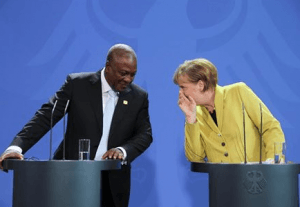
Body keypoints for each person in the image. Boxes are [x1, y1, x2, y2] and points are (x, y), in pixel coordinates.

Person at [0, 43, 153, 207]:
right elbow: (45, 117)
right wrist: (16, 147)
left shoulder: (138, 96)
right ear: (108, 66)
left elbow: (145, 134)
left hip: (113, 184)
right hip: (68, 178)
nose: (128, 79)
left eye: (132, 75)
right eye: (123, 73)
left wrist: (122, 151)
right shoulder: (77, 84)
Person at [173, 58, 285, 163]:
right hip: (223, 181)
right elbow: (195, 158)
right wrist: (190, 119)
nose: (180, 93)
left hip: (257, 179)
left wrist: (273, 161)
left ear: (200, 85)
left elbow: (270, 127)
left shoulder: (238, 92)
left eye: (183, 87)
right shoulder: (195, 114)